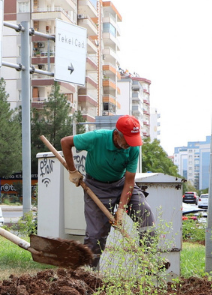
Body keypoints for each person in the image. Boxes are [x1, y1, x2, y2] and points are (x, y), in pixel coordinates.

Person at [60, 115, 154, 269]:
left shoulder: (132, 148)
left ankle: (148, 264)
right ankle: (88, 275)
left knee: (145, 214)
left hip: (121, 183)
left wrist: (121, 210)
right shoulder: (97, 138)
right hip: (96, 187)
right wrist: (72, 170)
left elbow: (130, 181)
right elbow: (66, 142)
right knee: (96, 235)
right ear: (117, 135)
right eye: (128, 140)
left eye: (133, 141)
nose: (130, 145)